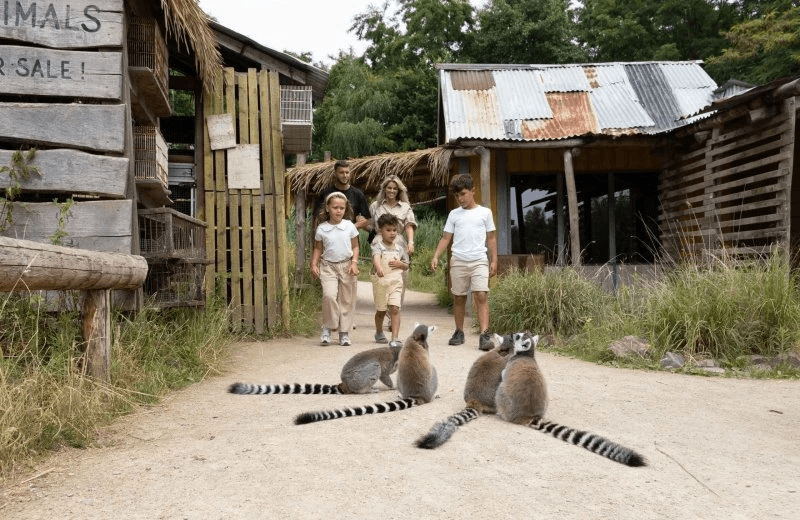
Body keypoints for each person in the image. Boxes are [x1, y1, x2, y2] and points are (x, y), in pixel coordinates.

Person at [430, 173, 498, 350]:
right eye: (457, 195)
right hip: (459, 260)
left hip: (479, 259)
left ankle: (484, 334)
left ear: (473, 191)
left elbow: (491, 238)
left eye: (463, 194)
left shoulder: (485, 213)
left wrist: (494, 260)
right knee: (459, 297)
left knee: (481, 294)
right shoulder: (454, 215)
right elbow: (446, 238)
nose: (460, 198)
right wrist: (436, 255)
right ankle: (459, 331)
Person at [310, 192, 360, 346]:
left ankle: (344, 333)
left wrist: (354, 262)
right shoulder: (322, 229)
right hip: (328, 266)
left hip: (346, 266)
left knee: (346, 300)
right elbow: (318, 248)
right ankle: (327, 327)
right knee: (329, 296)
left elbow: (355, 246)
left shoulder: (349, 226)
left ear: (345, 209)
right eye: (335, 207)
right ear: (327, 208)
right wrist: (313, 264)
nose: (338, 211)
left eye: (342, 208)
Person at [370, 214, 409, 348]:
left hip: (396, 283)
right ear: (381, 231)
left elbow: (406, 264)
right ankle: (379, 331)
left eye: (394, 230)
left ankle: (395, 338)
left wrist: (401, 264)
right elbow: (376, 258)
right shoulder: (378, 247)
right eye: (388, 230)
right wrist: (379, 267)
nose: (392, 233)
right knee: (381, 311)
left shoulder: (400, 249)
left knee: (395, 308)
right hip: (382, 283)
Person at [314, 160, 371, 233]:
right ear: (335, 174)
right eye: (341, 173)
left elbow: (368, 220)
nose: (345, 175)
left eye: (347, 172)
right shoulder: (325, 194)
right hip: (329, 234)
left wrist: (361, 221)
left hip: (350, 237)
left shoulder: (358, 194)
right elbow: (318, 218)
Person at [368, 175, 417, 256]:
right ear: (384, 189)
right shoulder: (375, 206)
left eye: (395, 188)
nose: (392, 191)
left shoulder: (405, 207)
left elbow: (409, 226)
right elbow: (370, 225)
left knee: (398, 267)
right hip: (379, 242)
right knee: (380, 267)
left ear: (398, 191)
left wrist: (410, 242)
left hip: (398, 242)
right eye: (389, 188)